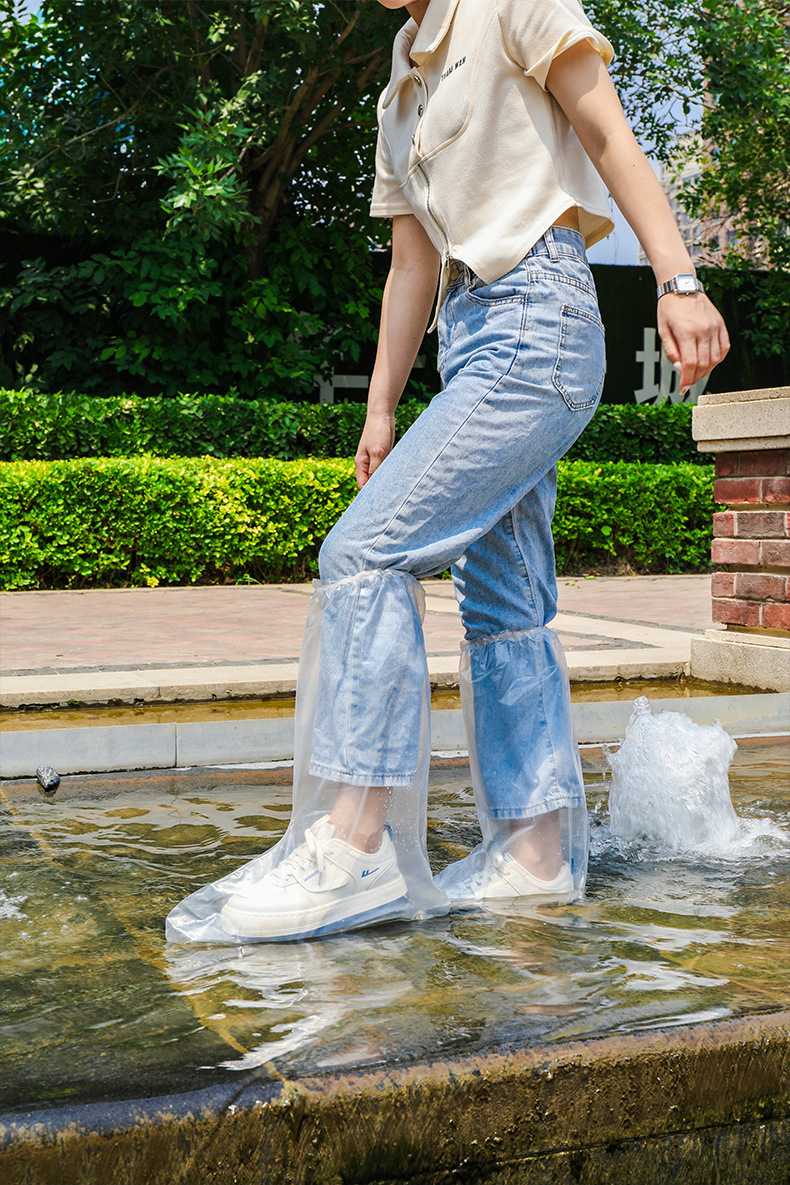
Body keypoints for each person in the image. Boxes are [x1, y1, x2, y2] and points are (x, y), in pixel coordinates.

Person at [166, 0, 729, 945]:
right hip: (472, 344)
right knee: (503, 603)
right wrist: (382, 408)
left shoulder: (513, 3)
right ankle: (536, 855)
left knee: (363, 554)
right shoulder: (401, 83)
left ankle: (355, 845)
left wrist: (678, 279)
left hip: (538, 318)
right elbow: (410, 262)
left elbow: (609, 131)